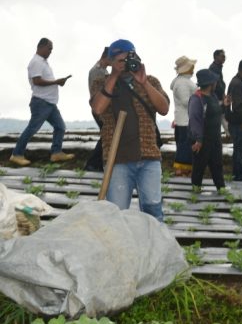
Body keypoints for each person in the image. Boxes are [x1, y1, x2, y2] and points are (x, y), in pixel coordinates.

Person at [89, 39, 171, 221]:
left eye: (129, 58)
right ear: (110, 62)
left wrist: (144, 83)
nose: (126, 64)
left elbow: (164, 108)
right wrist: (114, 76)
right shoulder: (101, 82)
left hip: (149, 156)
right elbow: (98, 108)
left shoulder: (150, 81)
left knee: (153, 211)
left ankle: (153, 247)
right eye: (120, 60)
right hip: (117, 159)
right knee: (116, 213)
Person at [10, 38, 74, 166]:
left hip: (50, 103)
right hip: (41, 103)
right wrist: (56, 81)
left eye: (52, 49)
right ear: (41, 47)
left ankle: (56, 153)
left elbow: (43, 80)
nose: (51, 51)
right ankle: (16, 155)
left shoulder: (44, 62)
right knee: (32, 129)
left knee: (60, 127)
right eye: (49, 48)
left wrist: (58, 82)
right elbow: (37, 81)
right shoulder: (36, 62)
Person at [189, 69, 226, 190]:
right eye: (214, 82)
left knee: (217, 165)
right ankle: (196, 188)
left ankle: (221, 188)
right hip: (202, 139)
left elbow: (216, 112)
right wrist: (198, 139)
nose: (216, 84)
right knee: (199, 166)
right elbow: (195, 120)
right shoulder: (197, 99)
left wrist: (224, 105)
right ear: (210, 84)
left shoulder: (213, 96)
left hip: (215, 137)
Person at [84, 47, 113, 172]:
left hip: (100, 109)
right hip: (100, 109)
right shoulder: (98, 72)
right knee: (107, 136)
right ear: (106, 57)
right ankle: (93, 163)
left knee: (106, 136)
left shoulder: (102, 70)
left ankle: (95, 163)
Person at [170, 55, 198, 176]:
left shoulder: (183, 81)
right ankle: (180, 171)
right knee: (184, 148)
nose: (193, 69)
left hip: (185, 120)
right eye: (191, 66)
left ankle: (184, 171)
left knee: (185, 147)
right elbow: (186, 101)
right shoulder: (182, 83)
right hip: (185, 121)